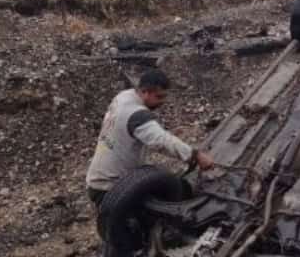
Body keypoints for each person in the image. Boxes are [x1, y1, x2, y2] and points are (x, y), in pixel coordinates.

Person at [85, 69, 214, 207]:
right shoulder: (137, 116)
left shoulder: (123, 97)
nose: (163, 102)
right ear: (145, 92)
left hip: (97, 180)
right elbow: (161, 141)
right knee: (176, 196)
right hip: (110, 188)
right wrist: (195, 155)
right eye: (159, 97)